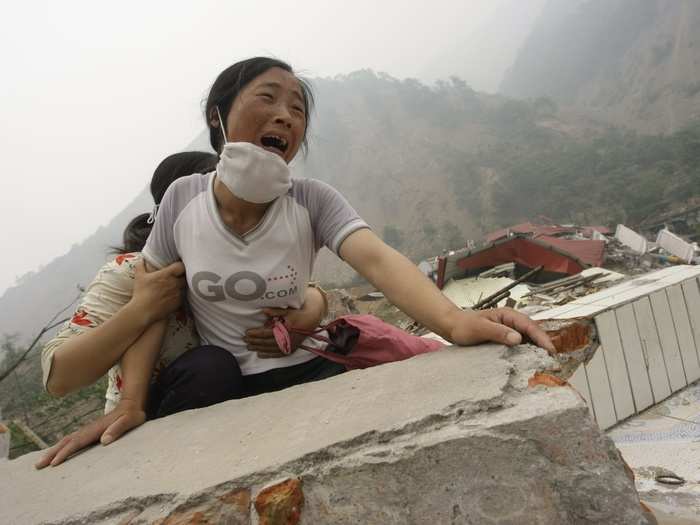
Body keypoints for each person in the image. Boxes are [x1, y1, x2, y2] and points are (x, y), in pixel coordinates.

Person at [136, 57, 554, 405]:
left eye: (297, 110)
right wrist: (130, 405)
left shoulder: (312, 200)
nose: (284, 115)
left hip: (312, 368)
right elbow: (148, 305)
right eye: (267, 97)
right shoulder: (181, 198)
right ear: (217, 114)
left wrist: (455, 322)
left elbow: (377, 260)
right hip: (229, 389)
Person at [36, 151, 328, 468]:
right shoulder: (130, 273)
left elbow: (302, 289)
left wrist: (314, 305)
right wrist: (141, 309)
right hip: (152, 422)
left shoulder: (240, 264)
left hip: (237, 411)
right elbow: (59, 377)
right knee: (211, 367)